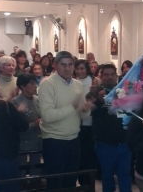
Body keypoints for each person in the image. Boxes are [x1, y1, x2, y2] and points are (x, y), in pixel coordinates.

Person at [38, 51, 92, 189]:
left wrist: (86, 109)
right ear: (55, 66)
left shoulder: (78, 85)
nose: (67, 68)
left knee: (71, 181)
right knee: (55, 183)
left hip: (74, 139)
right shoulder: (47, 85)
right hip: (54, 140)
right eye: (63, 65)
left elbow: (82, 116)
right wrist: (72, 107)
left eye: (70, 65)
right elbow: (47, 116)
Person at [91, 63, 132, 192]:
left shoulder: (124, 92)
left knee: (125, 177)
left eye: (112, 74)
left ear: (116, 76)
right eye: (106, 75)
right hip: (104, 144)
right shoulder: (94, 93)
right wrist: (99, 100)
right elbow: (88, 112)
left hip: (124, 144)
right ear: (101, 77)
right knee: (107, 177)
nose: (109, 77)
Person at [74, 59, 100, 185]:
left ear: (87, 69)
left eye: (82, 68)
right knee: (78, 156)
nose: (79, 71)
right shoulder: (72, 82)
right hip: (76, 123)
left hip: (91, 124)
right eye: (77, 68)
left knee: (88, 156)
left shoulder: (94, 81)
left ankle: (88, 185)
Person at [11, 74, 41, 176]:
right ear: (23, 86)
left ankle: (35, 183)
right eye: (31, 83)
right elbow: (15, 124)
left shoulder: (37, 99)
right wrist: (33, 124)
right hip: (23, 141)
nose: (35, 86)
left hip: (37, 139)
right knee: (22, 168)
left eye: (35, 83)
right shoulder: (15, 102)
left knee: (36, 167)